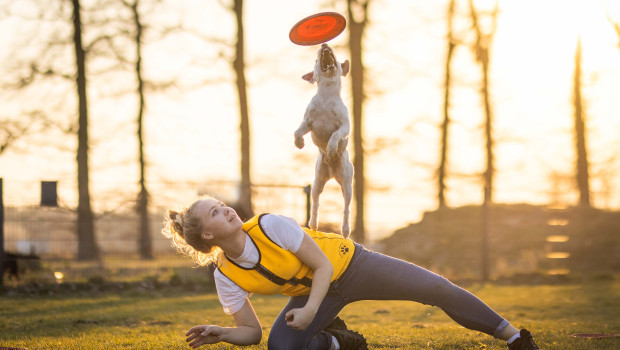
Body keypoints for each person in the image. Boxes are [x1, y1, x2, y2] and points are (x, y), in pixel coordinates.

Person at [162, 195, 540, 350]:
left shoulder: (270, 224)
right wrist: (222, 334)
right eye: (215, 213)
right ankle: (342, 342)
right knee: (281, 346)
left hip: (352, 265)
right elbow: (253, 334)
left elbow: (323, 265)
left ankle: (512, 336)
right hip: (319, 293)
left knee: (436, 289)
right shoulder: (225, 275)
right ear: (208, 235)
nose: (226, 209)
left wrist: (309, 310)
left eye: (221, 204)